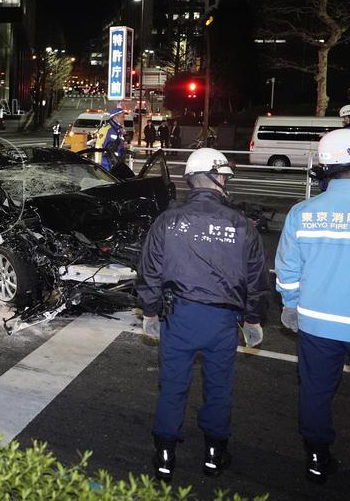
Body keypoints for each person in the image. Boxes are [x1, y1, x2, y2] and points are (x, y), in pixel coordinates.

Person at [137, 147, 269, 483]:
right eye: (223, 175)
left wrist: (150, 312)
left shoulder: (168, 221)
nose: (225, 180)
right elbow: (257, 280)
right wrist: (253, 319)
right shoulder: (242, 225)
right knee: (219, 387)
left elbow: (149, 272)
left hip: (179, 317)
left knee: (172, 387)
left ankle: (164, 455)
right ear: (212, 177)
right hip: (222, 323)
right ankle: (214, 453)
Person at [274, 128, 350, 484]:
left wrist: (290, 306)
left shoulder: (303, 213)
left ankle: (317, 457)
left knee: (316, 391)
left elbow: (287, 272)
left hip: (317, 322)